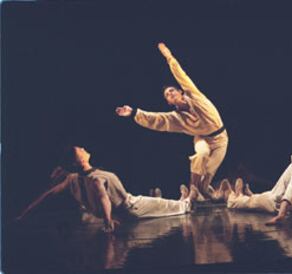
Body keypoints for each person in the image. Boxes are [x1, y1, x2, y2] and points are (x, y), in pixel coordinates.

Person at [116, 42, 228, 199]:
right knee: (201, 154)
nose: (170, 94)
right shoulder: (176, 119)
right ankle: (192, 191)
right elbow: (156, 119)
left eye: (172, 91)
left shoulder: (194, 96)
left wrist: (169, 57)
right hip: (202, 138)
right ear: (169, 102)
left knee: (207, 175)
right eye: (167, 95)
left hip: (221, 139)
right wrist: (133, 113)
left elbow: (181, 76)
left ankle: (205, 191)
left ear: (181, 92)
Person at [16, 146, 197, 232]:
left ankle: (180, 201)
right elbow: (102, 197)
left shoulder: (72, 179)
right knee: (167, 206)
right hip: (131, 206)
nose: (83, 148)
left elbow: (47, 195)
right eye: (79, 149)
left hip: (123, 209)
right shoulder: (95, 178)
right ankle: (187, 203)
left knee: (163, 205)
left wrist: (25, 213)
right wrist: (108, 221)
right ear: (77, 160)